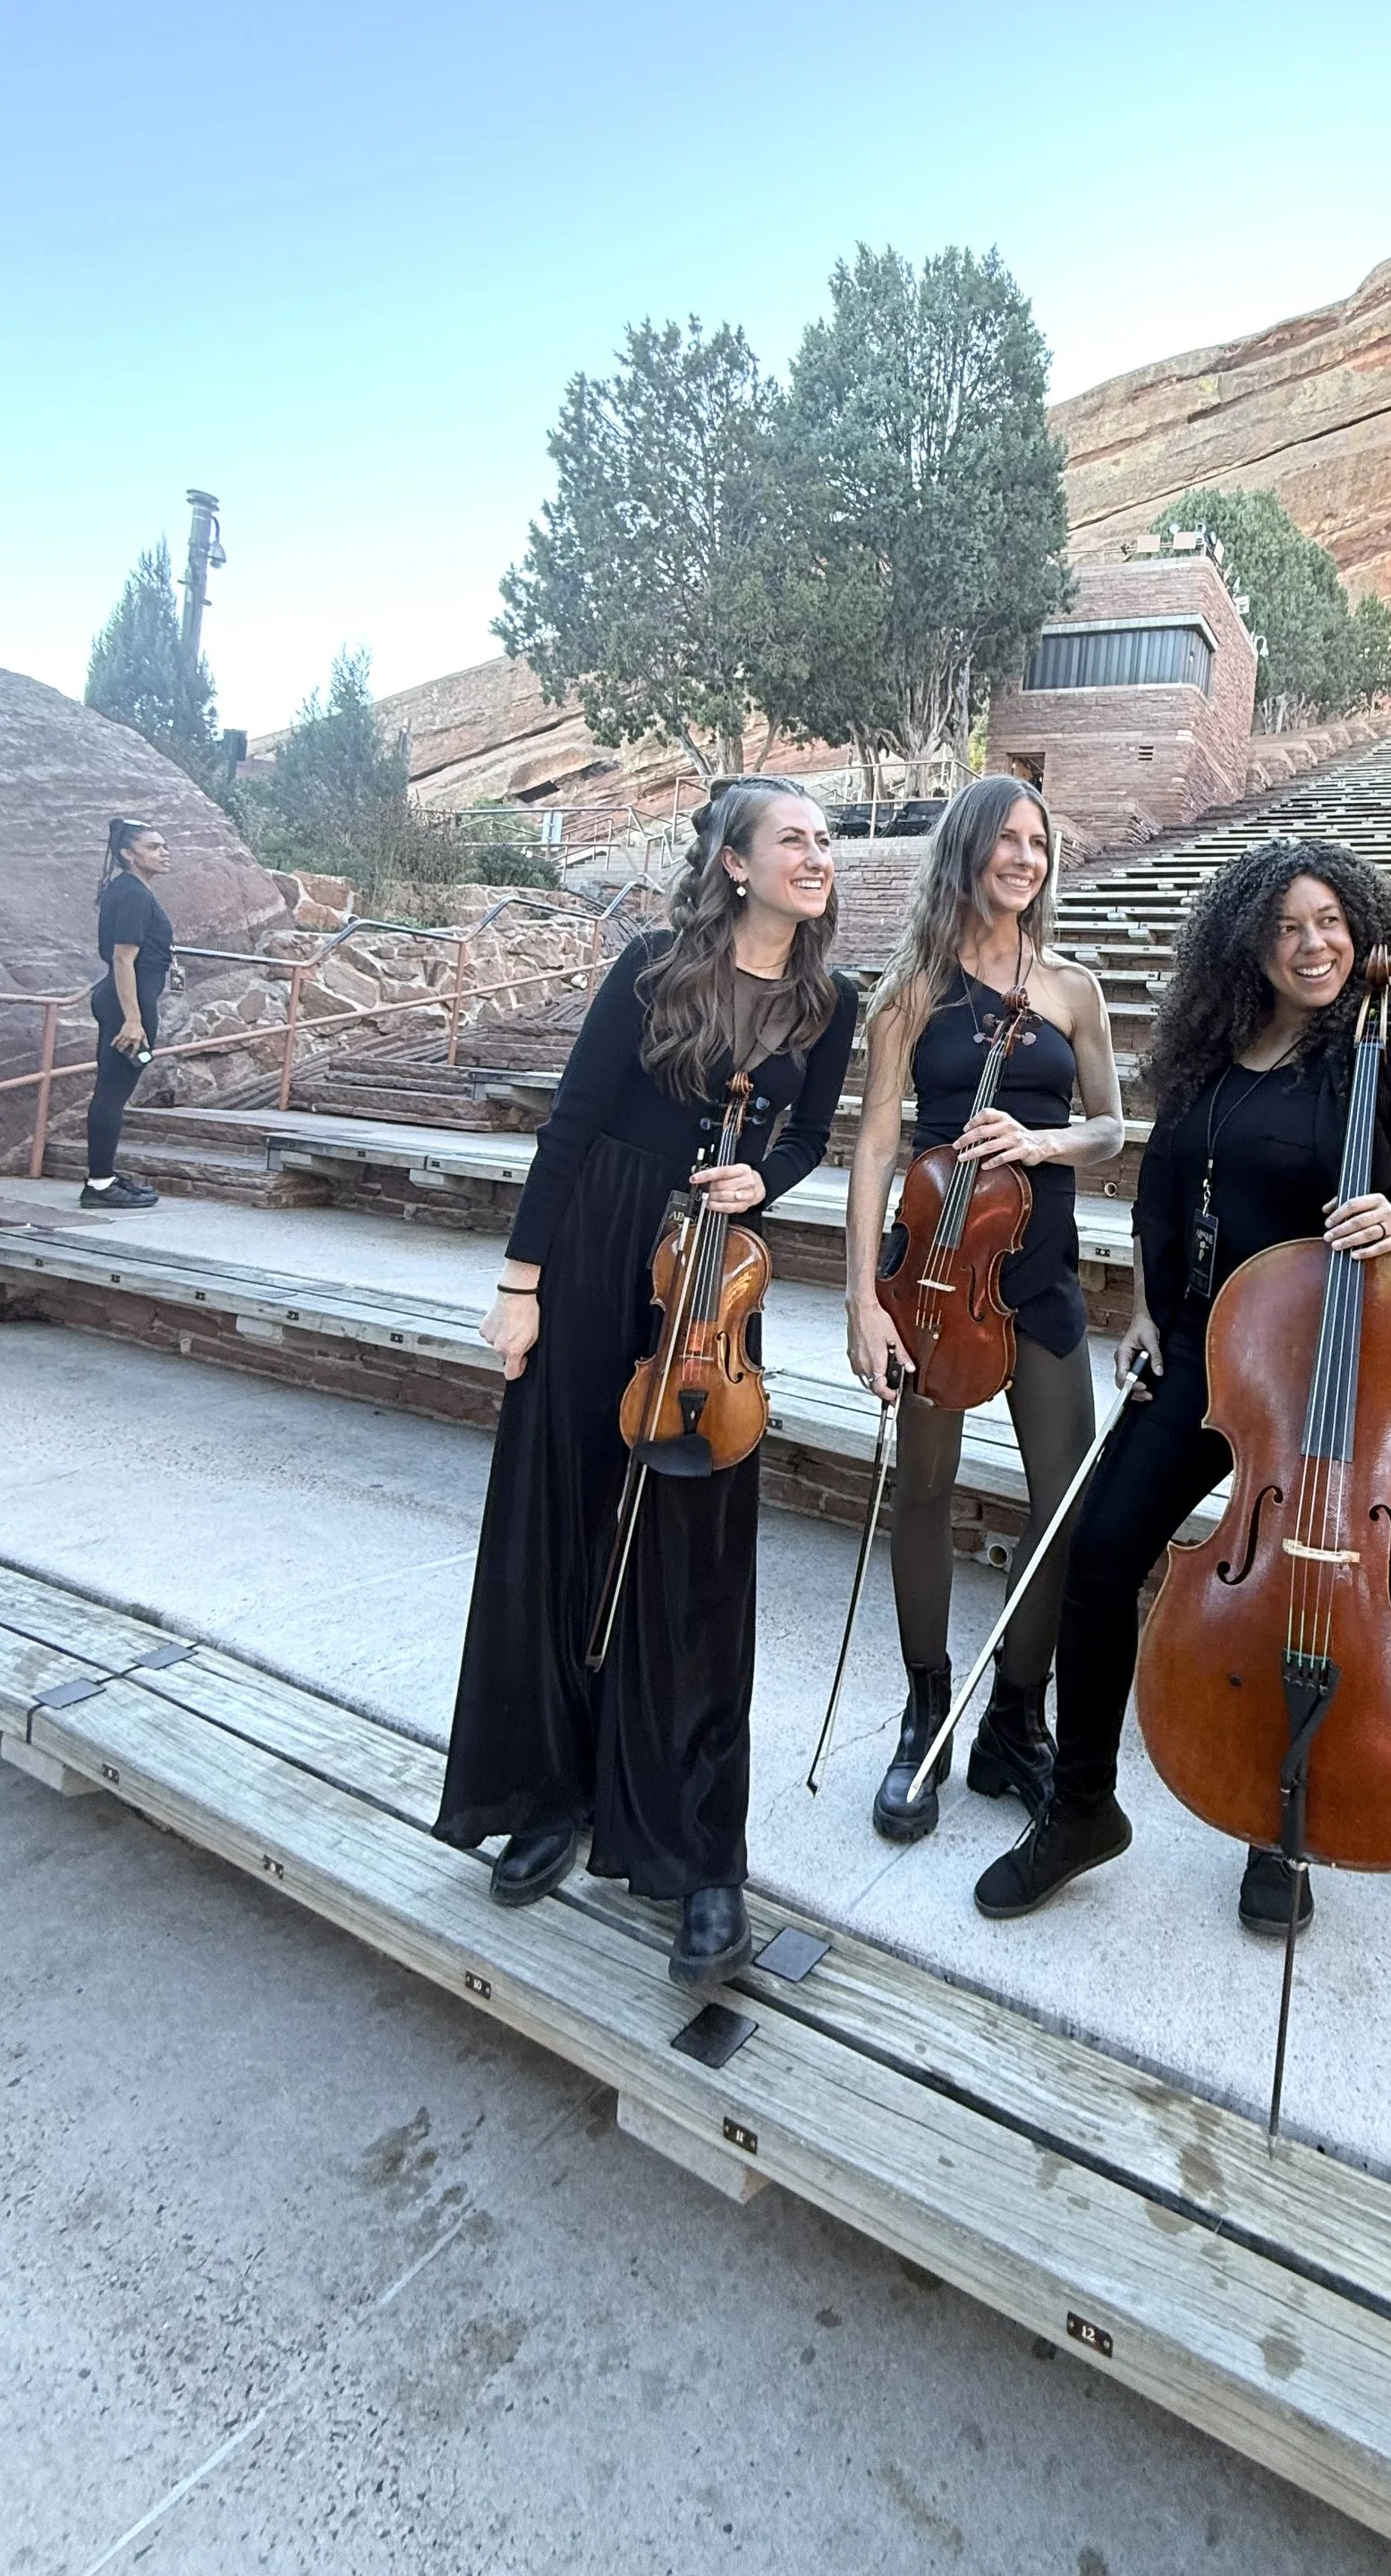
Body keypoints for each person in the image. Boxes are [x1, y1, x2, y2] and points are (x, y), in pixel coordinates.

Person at [973, 839, 1391, 1936]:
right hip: (1205, 1348)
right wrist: (1147, 1308)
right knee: (1100, 1558)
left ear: (1364, 931)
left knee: (1304, 1596)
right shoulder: (1207, 1052)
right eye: (1289, 926)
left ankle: (1278, 1826)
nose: (1314, 945)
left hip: (1321, 1376)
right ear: (1249, 940)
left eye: (1332, 922)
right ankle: (1080, 1807)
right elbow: (1158, 1190)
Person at [434, 777, 859, 1992]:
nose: (816, 855)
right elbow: (568, 1125)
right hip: (598, 1246)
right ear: (734, 862)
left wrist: (758, 1183)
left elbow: (807, 1137)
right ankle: (551, 1791)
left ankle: (697, 1849)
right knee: (563, 1516)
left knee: (697, 1559)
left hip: (711, 1283)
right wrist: (521, 1281)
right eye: (795, 839)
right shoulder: (649, 969)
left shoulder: (831, 1001)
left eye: (824, 841)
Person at [844, 775, 1124, 1838]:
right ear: (964, 850)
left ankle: (1014, 1716)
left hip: (1037, 1271)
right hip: (930, 1274)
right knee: (923, 1489)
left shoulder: (1072, 989)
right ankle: (925, 1712)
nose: (1024, 857)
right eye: (1005, 839)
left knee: (1065, 1501)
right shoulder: (911, 988)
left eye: (1037, 841)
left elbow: (1109, 1128)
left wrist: (1041, 1141)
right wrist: (862, 1293)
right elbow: (876, 1141)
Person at [83, 817, 174, 1207]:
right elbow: (123, 959)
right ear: (128, 854)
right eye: (153, 847)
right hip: (128, 1004)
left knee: (110, 1091)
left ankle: (103, 1177)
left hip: (123, 1000)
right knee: (111, 1095)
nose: (164, 852)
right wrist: (134, 1020)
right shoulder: (134, 894)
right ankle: (100, 1184)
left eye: (163, 845)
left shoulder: (128, 890)